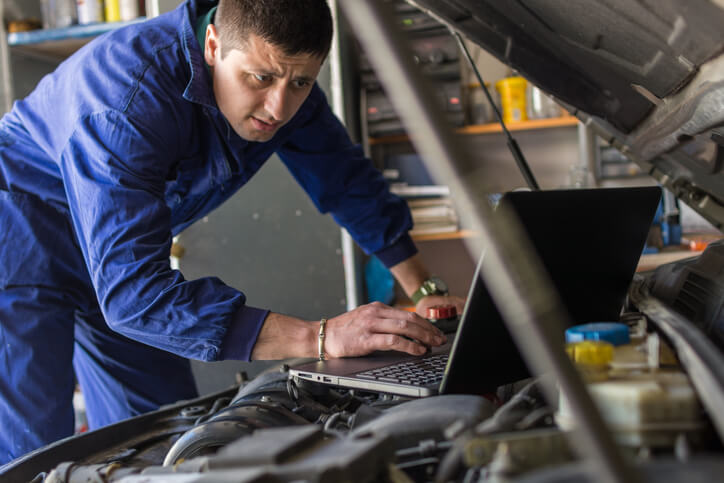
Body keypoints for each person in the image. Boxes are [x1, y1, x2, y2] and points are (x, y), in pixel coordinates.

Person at [0, 0, 464, 464]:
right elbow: (134, 297)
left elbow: (348, 182)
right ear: (213, 45)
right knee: (35, 453)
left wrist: (423, 289)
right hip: (23, 232)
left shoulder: (283, 79)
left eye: (301, 82)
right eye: (260, 79)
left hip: (120, 246)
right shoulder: (127, 100)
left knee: (157, 437)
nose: (279, 107)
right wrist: (320, 338)